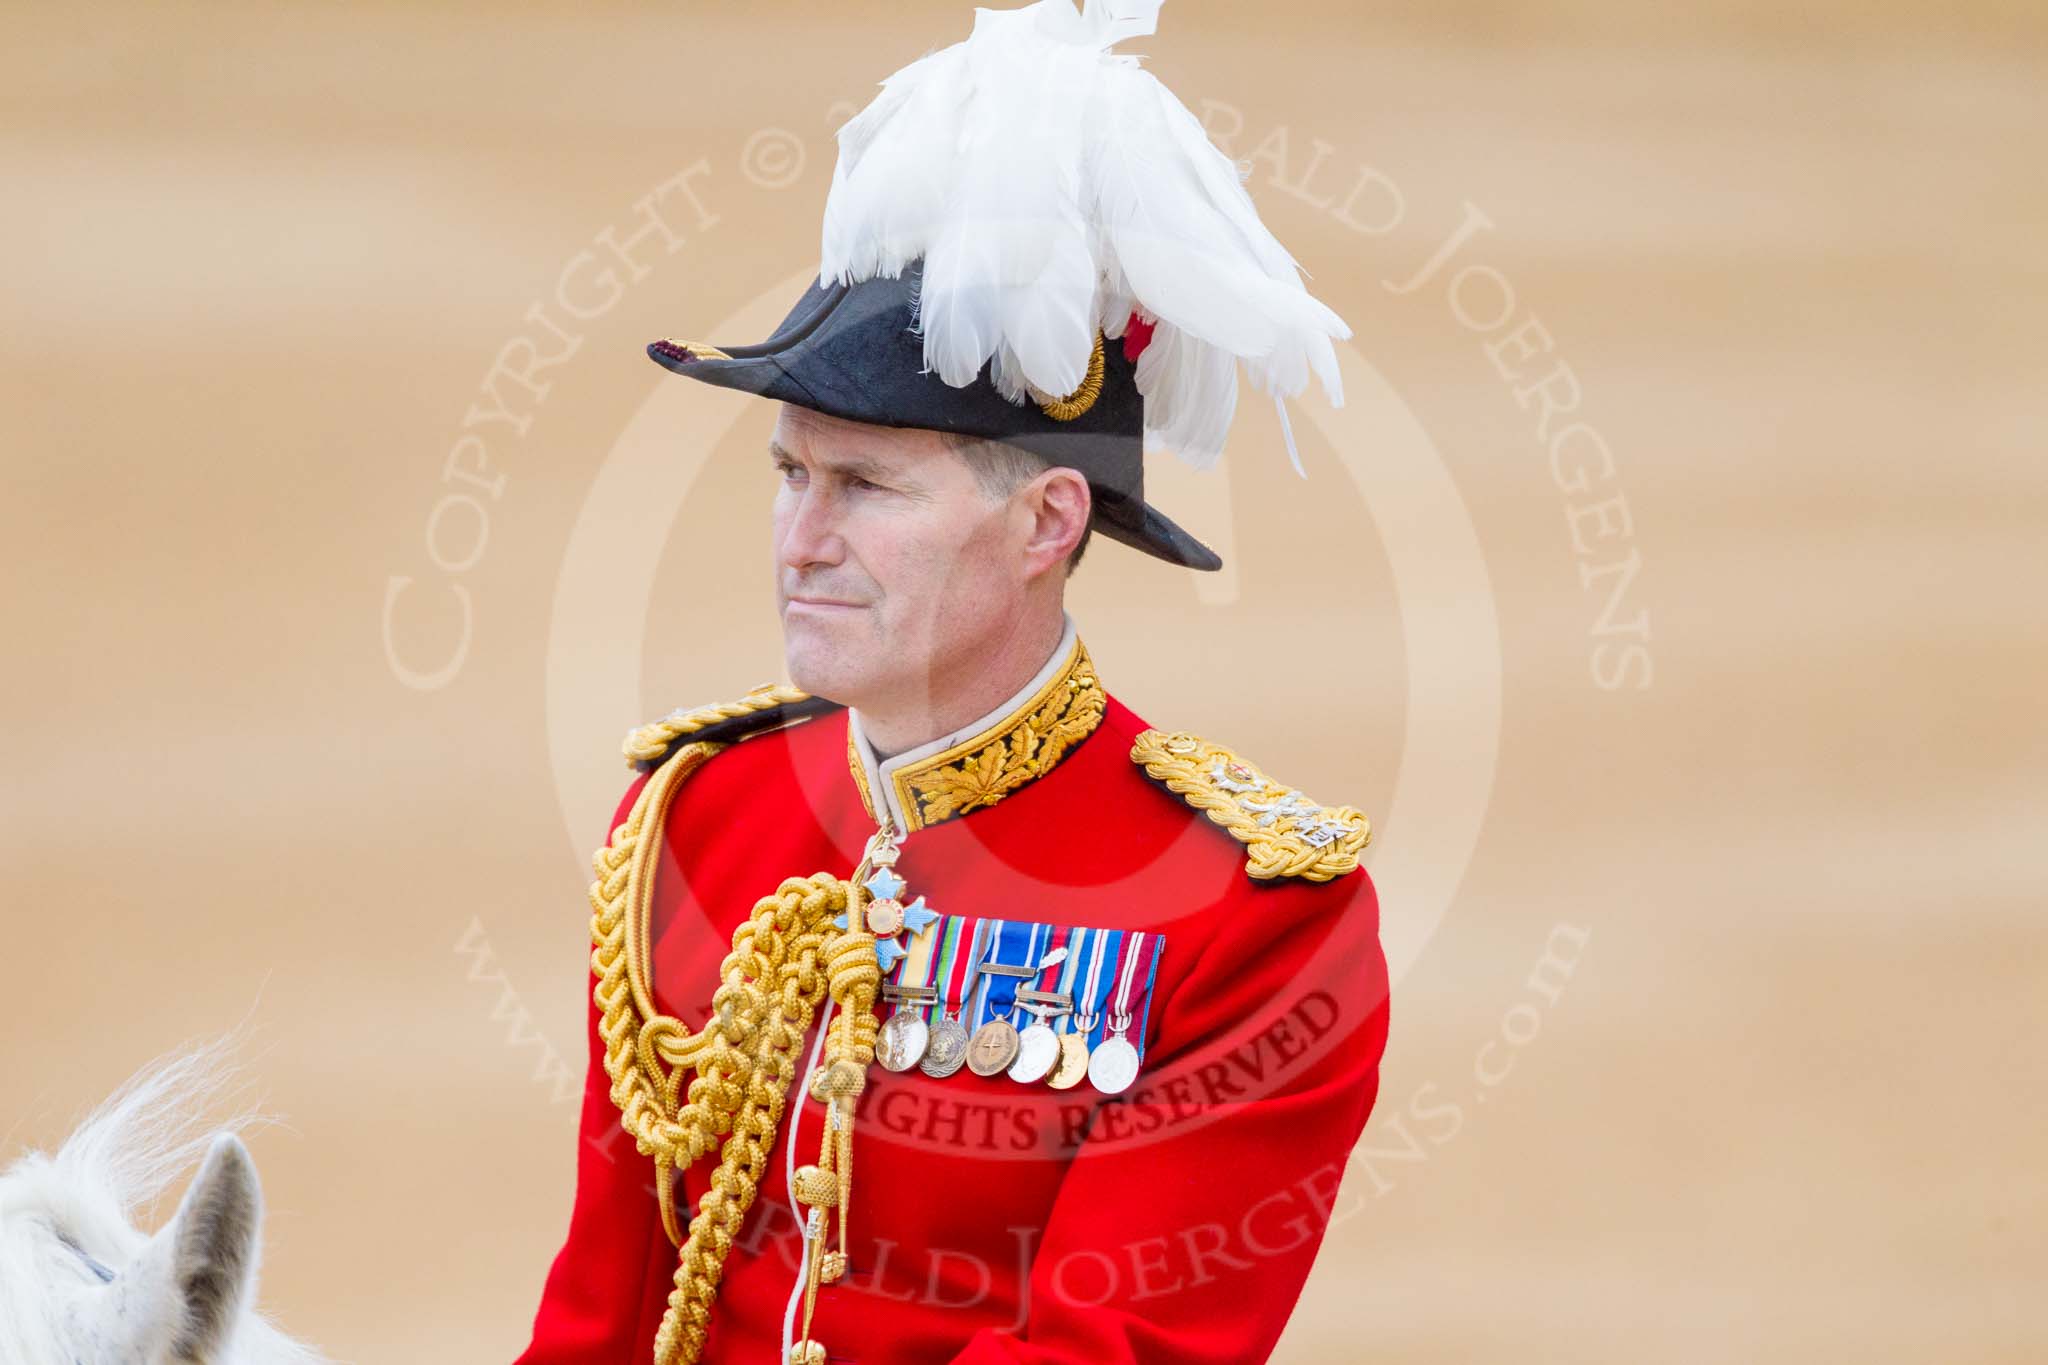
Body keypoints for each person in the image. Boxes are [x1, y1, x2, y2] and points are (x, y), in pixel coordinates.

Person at [516, 3, 1389, 1362]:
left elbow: (1111, 1351)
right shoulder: (691, 820)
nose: (802, 539)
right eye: (790, 475)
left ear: (1047, 523)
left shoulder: (1256, 917)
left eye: (866, 485)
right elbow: (599, 1315)